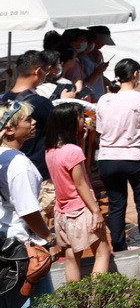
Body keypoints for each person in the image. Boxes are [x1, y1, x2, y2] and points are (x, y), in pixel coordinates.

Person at [95, 59, 140, 252]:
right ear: (136, 74)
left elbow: (99, 130)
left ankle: (119, 247)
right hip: (135, 157)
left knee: (116, 205)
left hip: (107, 159)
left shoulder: (104, 99)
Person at [44, 102, 111, 282]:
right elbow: (81, 184)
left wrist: (82, 140)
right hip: (82, 210)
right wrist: (97, 212)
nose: (84, 120)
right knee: (103, 252)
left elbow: (73, 165)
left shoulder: (50, 151)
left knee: (72, 256)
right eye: (81, 117)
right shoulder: (72, 151)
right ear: (70, 122)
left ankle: (74, 298)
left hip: (62, 212)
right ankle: (96, 298)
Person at [0, 101, 56, 303]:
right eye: (27, 119)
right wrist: (49, 238)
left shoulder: (3, 157)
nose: (34, 122)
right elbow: (29, 211)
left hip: (5, 244)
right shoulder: (19, 163)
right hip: (23, 251)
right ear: (10, 128)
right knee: (42, 302)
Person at [0, 52, 54, 179]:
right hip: (36, 173)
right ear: (38, 71)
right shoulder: (40, 103)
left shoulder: (4, 99)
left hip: (9, 169)